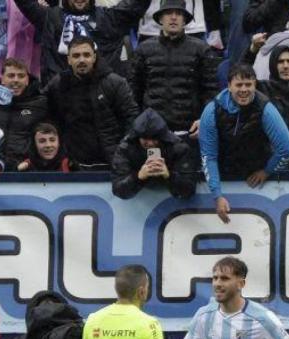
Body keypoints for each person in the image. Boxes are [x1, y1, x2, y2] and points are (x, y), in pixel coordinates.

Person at [198, 63, 289, 224]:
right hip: (223, 174)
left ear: (255, 85)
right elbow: (209, 156)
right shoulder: (212, 110)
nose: (244, 89)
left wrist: (267, 171)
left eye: (248, 84)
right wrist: (217, 195)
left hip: (256, 178)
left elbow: (287, 150)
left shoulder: (265, 108)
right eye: (239, 85)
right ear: (229, 86)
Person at [45, 36, 139, 170]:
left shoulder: (115, 83)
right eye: (76, 56)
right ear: (69, 60)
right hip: (73, 165)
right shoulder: (58, 84)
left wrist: (123, 152)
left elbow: (131, 118)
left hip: (112, 162)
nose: (82, 60)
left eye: (86, 55)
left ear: (94, 57)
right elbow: (46, 115)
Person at [129, 0, 219, 134]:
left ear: (185, 20)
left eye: (178, 14)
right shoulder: (143, 50)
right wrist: (137, 124)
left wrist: (204, 121)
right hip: (152, 132)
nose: (173, 17)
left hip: (190, 130)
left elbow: (211, 91)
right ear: (160, 19)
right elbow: (134, 91)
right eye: (168, 13)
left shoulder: (201, 50)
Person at [14, 0, 152, 83]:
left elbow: (138, 4)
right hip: (62, 101)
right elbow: (25, 3)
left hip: (103, 101)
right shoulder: (51, 18)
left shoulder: (110, 18)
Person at [111, 107, 197, 198]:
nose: (150, 143)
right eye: (145, 139)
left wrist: (169, 176)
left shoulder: (177, 147)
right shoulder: (126, 148)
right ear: (138, 136)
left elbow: (189, 190)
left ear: (162, 136)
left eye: (154, 138)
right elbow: (118, 190)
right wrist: (138, 177)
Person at [0, 58, 49, 170]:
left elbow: (49, 137)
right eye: (11, 76)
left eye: (21, 76)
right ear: (2, 79)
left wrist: (30, 163)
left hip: (27, 170)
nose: (16, 80)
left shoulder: (41, 103)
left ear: (27, 79)